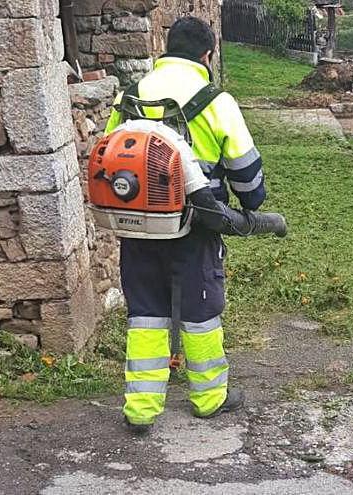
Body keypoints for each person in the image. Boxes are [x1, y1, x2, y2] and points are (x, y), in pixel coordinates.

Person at [103, 16, 282, 434]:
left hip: (139, 228)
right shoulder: (216, 100)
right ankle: (208, 398)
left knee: (145, 314)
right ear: (208, 54)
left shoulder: (128, 96)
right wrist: (252, 204)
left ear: (166, 48)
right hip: (198, 227)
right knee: (201, 313)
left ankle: (141, 409)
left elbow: (110, 160)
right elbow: (248, 178)